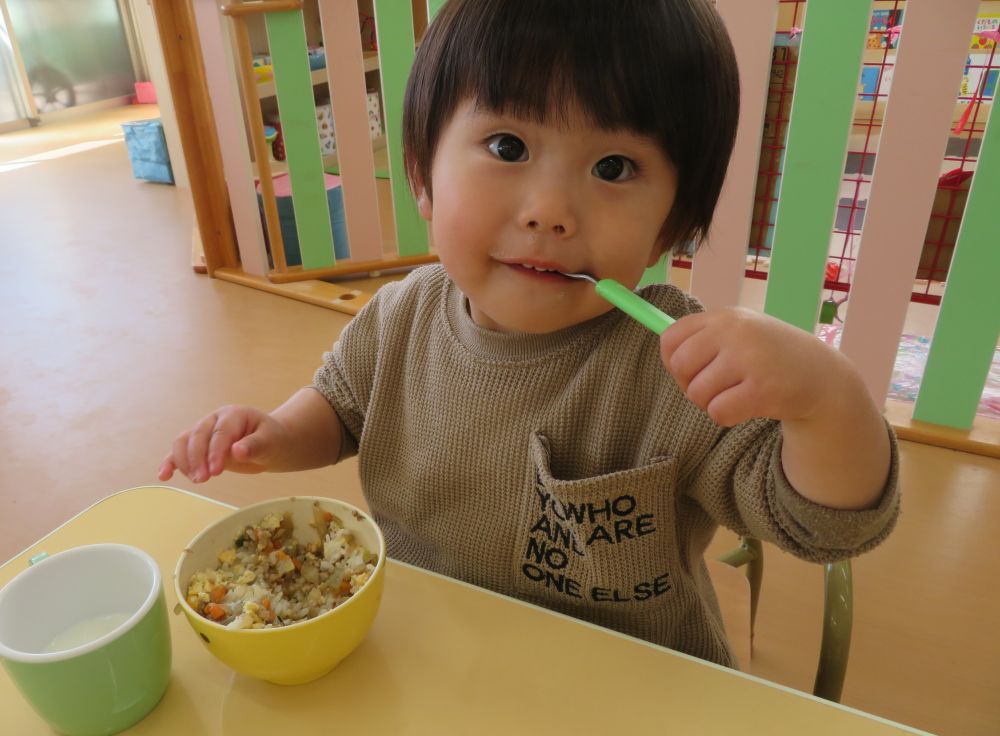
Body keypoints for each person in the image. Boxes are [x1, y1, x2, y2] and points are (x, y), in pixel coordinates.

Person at [159, 0, 899, 667]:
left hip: (622, 684)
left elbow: (824, 528)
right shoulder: (402, 313)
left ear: (669, 225)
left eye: (614, 166)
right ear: (422, 176)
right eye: (508, 147)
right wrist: (275, 435)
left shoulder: (679, 362)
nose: (550, 210)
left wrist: (826, 401)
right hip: (427, 649)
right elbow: (342, 407)